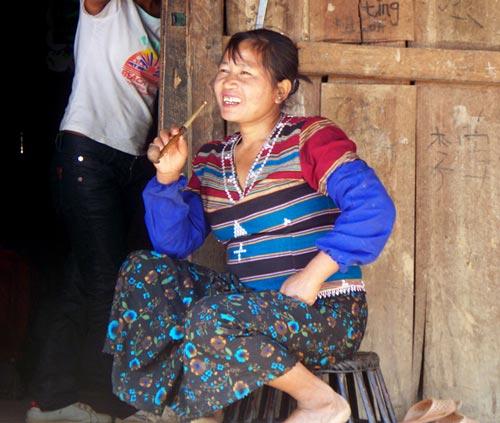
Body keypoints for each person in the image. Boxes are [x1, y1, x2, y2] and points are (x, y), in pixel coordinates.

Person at [104, 28, 396, 423]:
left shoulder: (310, 139)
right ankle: (186, 411)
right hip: (246, 307)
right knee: (144, 271)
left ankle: (321, 402)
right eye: (224, 71)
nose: (229, 83)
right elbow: (175, 244)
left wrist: (312, 275)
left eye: (245, 73)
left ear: (280, 90)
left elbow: (373, 207)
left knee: (213, 317)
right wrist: (168, 177)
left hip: (324, 311)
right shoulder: (210, 160)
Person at [26, 1, 161, 422]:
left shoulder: (170, 23)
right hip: (88, 154)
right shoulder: (106, 9)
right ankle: (105, 399)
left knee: (82, 280)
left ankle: (50, 400)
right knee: (108, 283)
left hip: (131, 164)